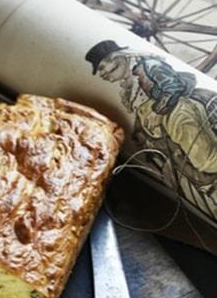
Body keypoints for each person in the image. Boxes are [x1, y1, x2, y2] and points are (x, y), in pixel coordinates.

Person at [85, 41, 217, 222]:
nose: (102, 74)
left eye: (102, 67)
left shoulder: (148, 66)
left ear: (115, 57)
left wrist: (158, 111)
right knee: (189, 171)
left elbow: (173, 87)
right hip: (165, 127)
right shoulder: (129, 83)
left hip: (179, 114)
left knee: (205, 159)